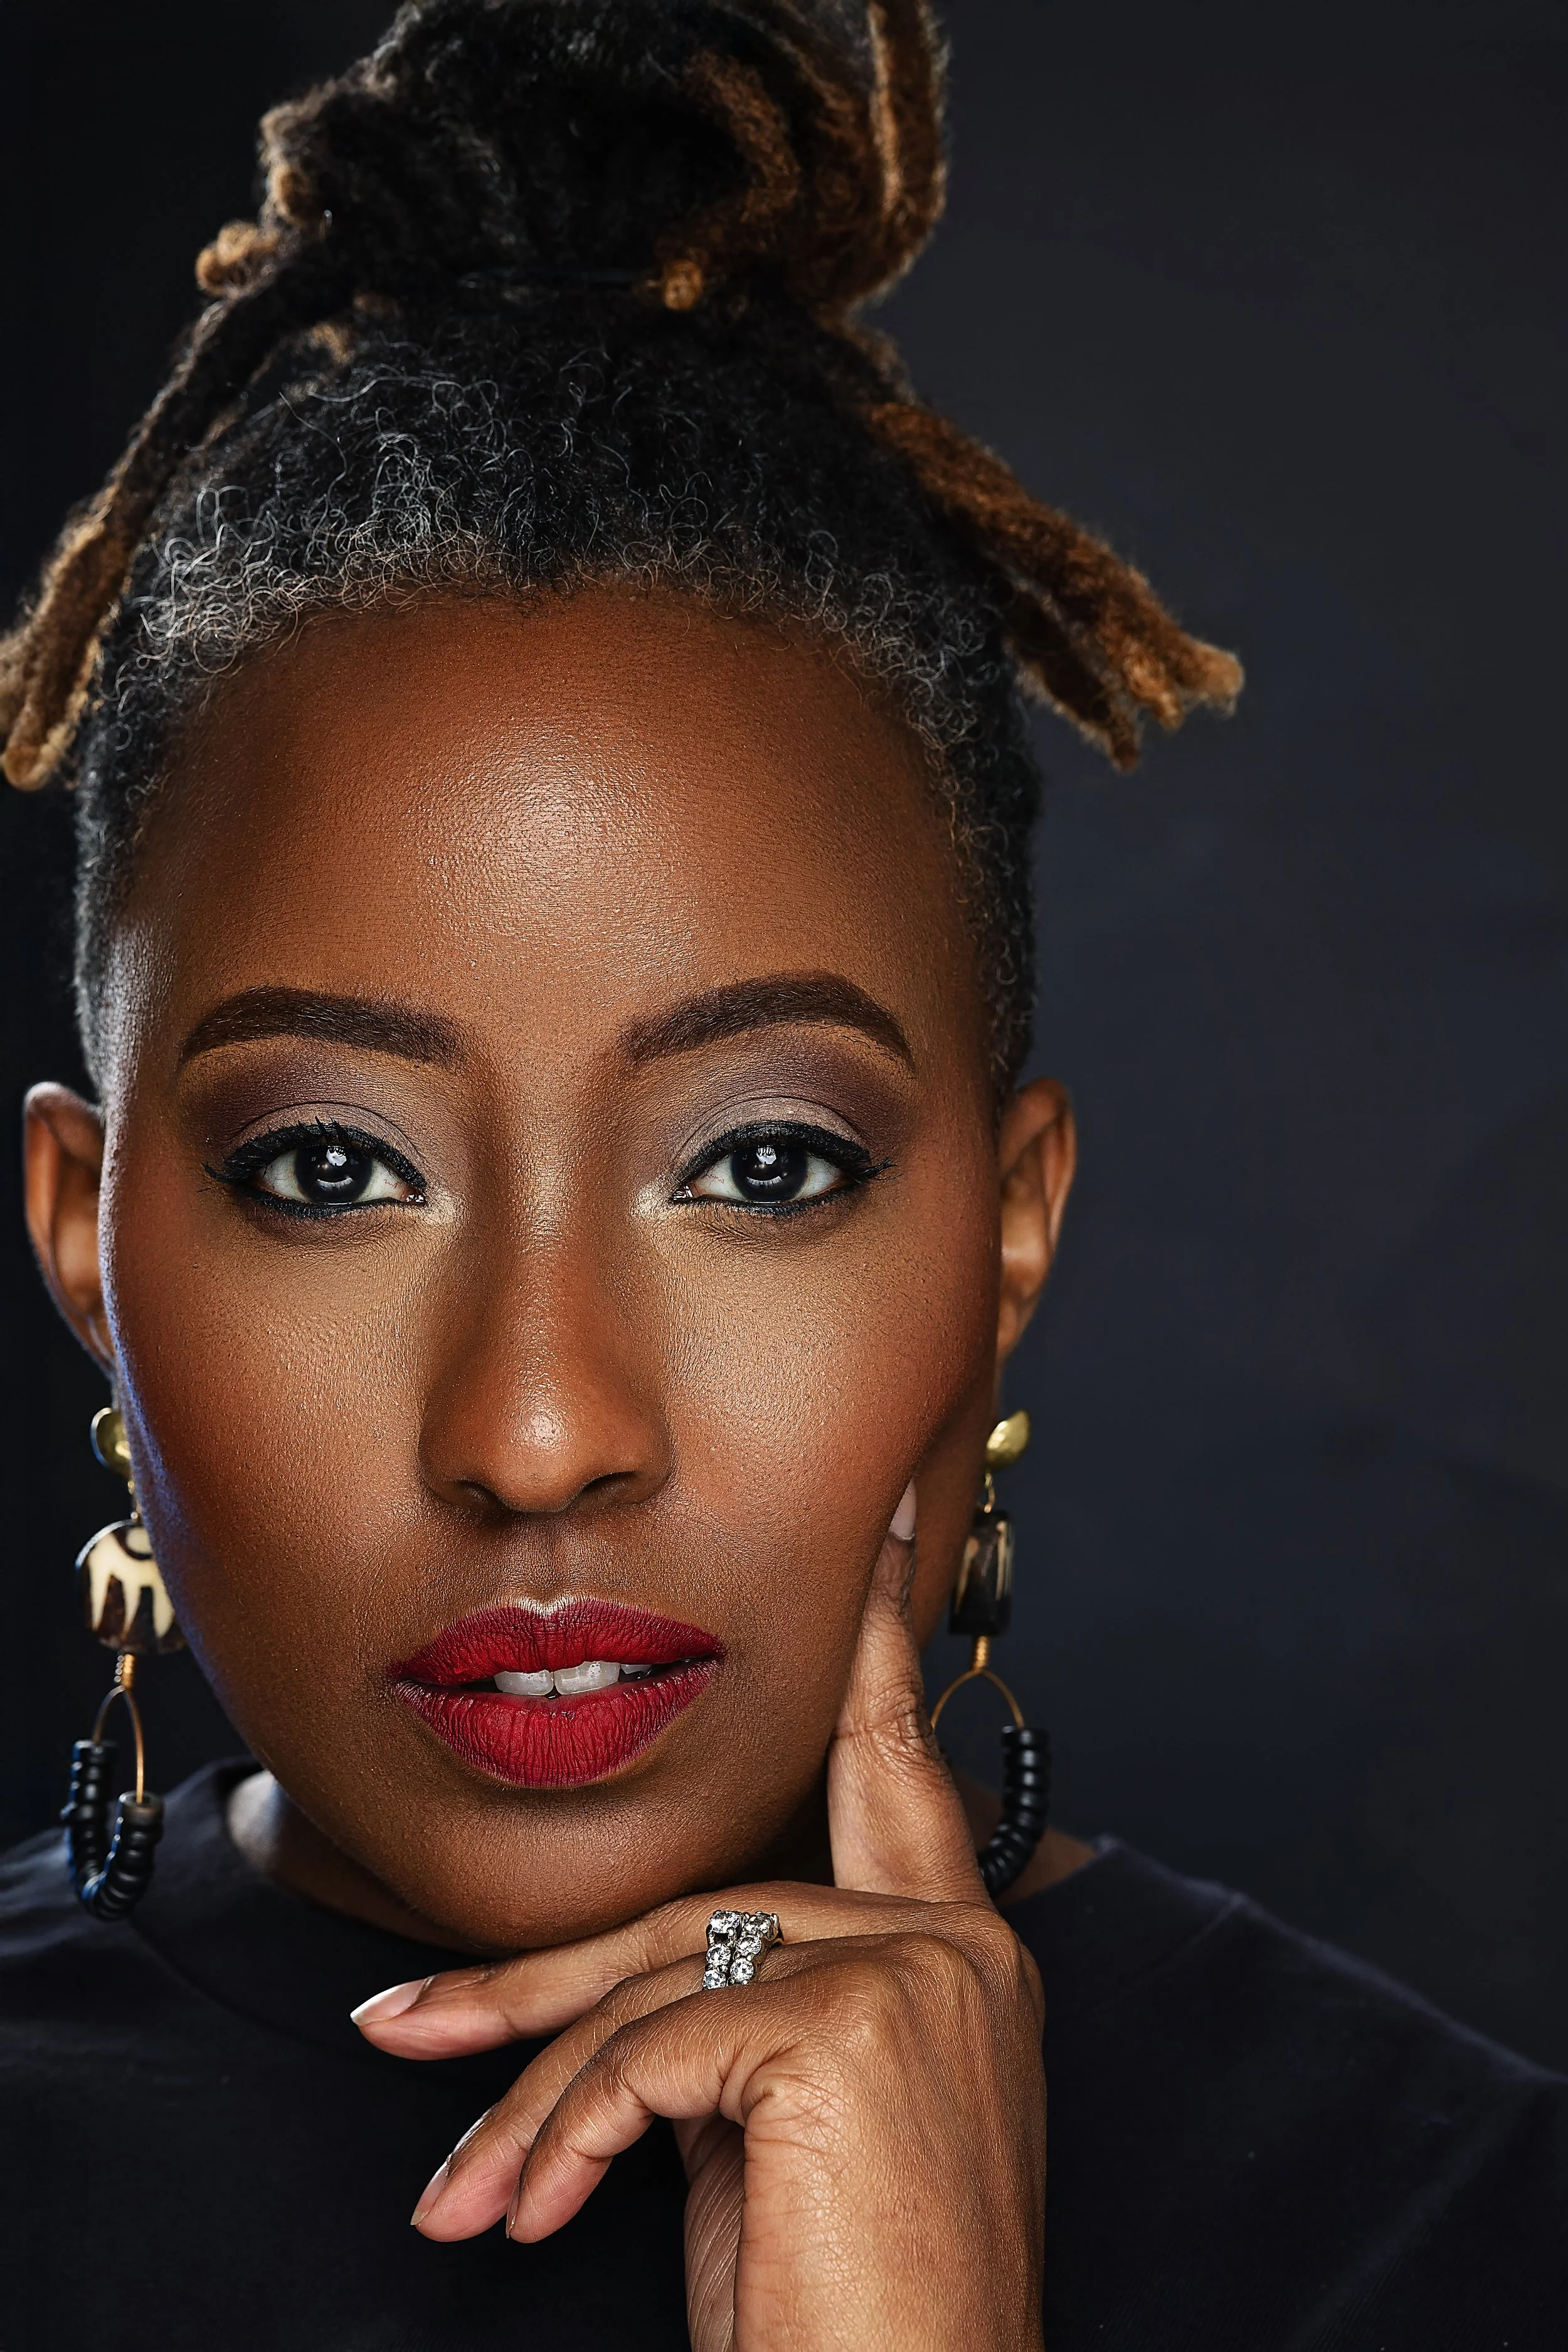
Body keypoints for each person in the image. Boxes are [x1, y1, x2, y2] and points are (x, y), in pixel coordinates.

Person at [0, 4, 1562, 2346]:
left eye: (755, 1162)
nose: (540, 1432)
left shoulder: (1463, 2236)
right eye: (331, 1164)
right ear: (86, 1251)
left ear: (1011, 1230)